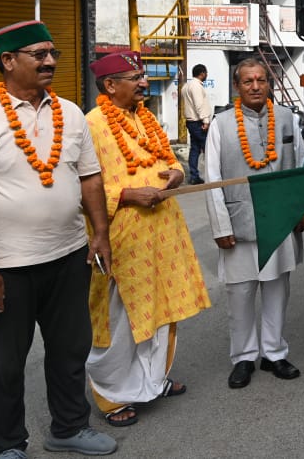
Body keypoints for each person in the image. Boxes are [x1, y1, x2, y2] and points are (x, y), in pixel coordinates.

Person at [0, 21, 117, 459]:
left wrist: (99, 234)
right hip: (7, 263)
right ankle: (6, 445)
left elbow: (90, 178)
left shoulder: (71, 112)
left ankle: (69, 427)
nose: (49, 61)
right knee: (4, 363)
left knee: (70, 349)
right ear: (8, 61)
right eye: (38, 54)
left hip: (68, 255)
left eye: (53, 53)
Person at [85, 51, 211, 427]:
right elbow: (81, 188)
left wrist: (175, 173)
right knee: (121, 320)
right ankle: (111, 395)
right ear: (110, 85)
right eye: (134, 77)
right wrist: (126, 195)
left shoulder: (147, 117)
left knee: (163, 313)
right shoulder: (91, 125)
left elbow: (168, 160)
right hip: (122, 241)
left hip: (163, 235)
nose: (144, 82)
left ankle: (153, 380)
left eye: (142, 76)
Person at [205, 58, 304, 389]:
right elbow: (212, 179)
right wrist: (221, 227)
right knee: (241, 294)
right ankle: (244, 357)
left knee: (277, 289)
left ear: (269, 83)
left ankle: (275, 353)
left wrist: (301, 212)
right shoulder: (220, 124)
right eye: (247, 81)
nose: (255, 86)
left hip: (278, 221)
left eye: (261, 80)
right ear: (237, 86)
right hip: (239, 222)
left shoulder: (288, 118)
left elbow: (301, 167)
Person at [181, 64, 212, 185]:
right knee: (208, 149)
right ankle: (212, 176)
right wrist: (205, 120)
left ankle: (194, 176)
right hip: (198, 122)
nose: (207, 75)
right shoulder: (196, 86)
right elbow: (199, 105)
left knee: (194, 149)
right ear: (202, 73)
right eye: (206, 73)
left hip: (191, 121)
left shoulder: (187, 86)